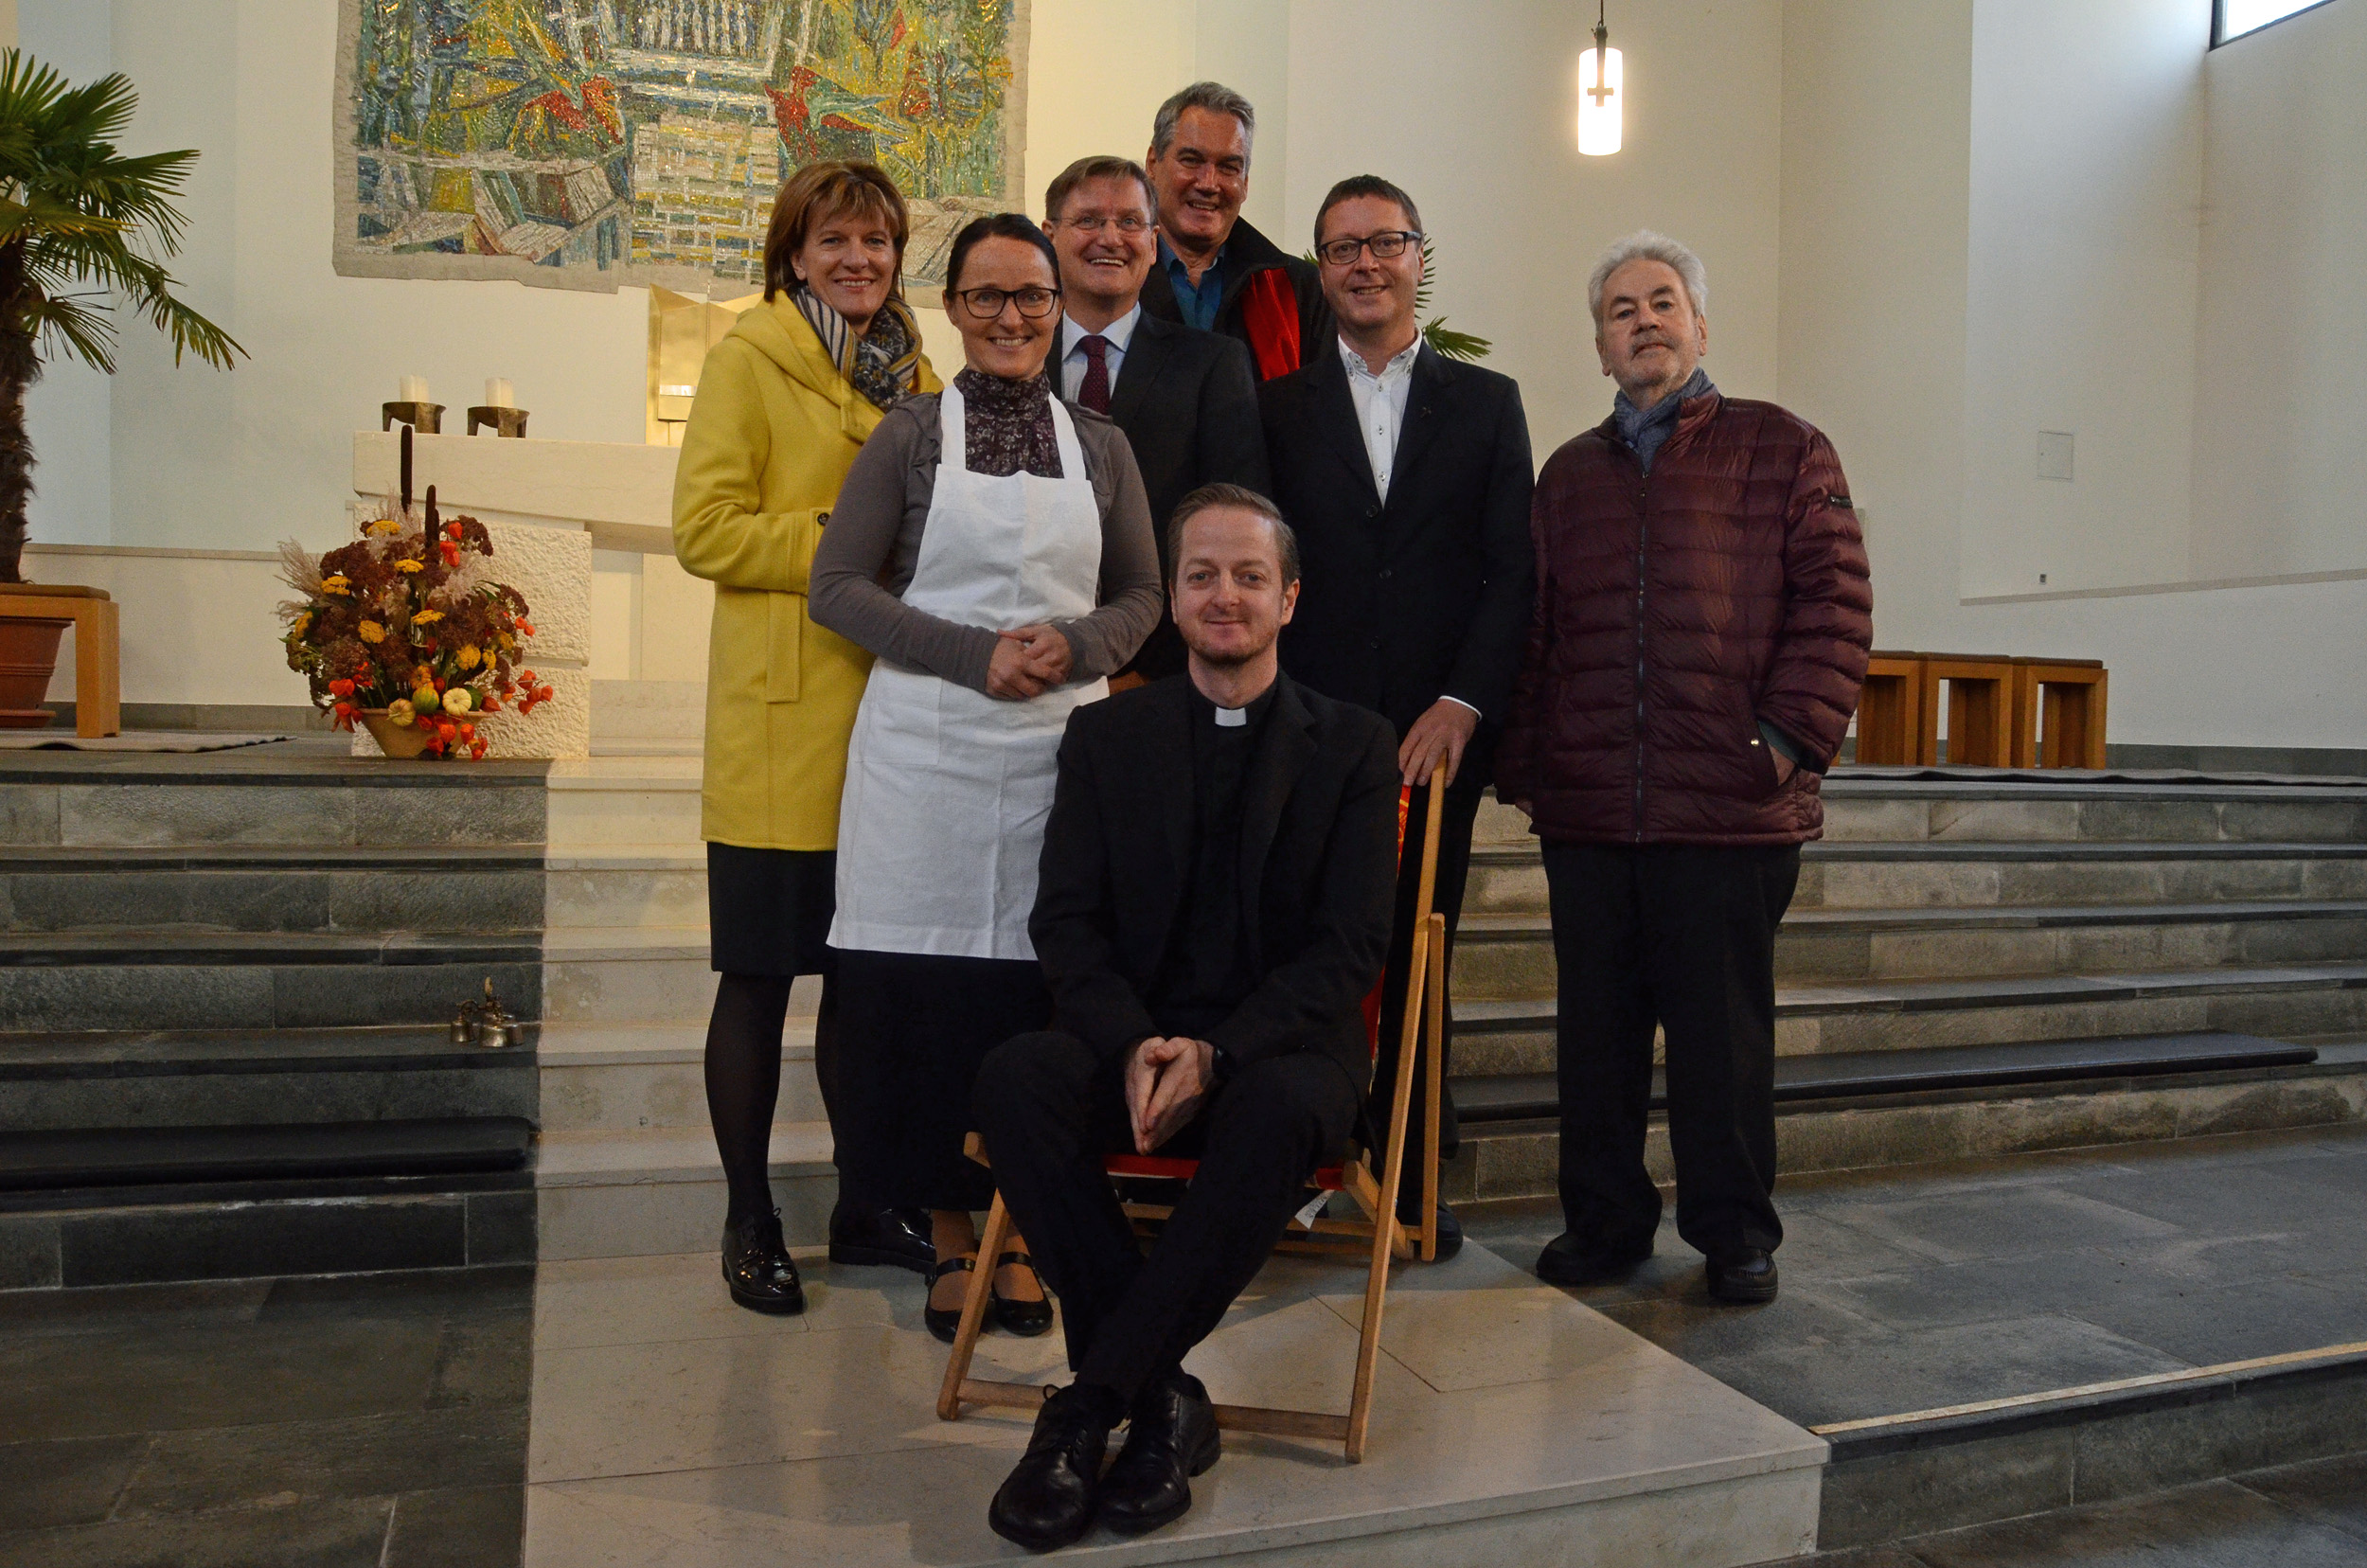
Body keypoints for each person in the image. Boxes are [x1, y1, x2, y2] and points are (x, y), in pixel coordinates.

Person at [973, 486, 1399, 1551]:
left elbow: (1349, 946)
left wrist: (1219, 1051)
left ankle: (1085, 1406)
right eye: (1202, 575)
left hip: (1277, 1052)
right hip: (1131, 1039)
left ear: (1289, 599)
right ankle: (1161, 1403)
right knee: (1017, 1079)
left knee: (1274, 1113)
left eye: (1249, 576)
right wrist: (1132, 1045)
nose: (1225, 596)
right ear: (1170, 596)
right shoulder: (1106, 736)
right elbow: (1065, 925)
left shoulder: (1352, 744)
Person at [1495, 231, 1871, 1306]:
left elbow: (1835, 607)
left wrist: (1785, 746)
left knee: (1722, 1047)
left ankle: (1734, 1230)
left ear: (1701, 326)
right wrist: (1531, 765)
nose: (1643, 321)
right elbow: (1534, 633)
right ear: (1600, 346)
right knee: (1596, 1044)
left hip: (1729, 808)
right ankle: (1605, 1223)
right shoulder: (1565, 475)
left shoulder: (1784, 449)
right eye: (1621, 310)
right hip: (1594, 812)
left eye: (1662, 302)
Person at [808, 214, 1164, 1345]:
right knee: (921, 1006)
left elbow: (1145, 593)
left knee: (1033, 995)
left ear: (1059, 309)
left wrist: (1081, 645)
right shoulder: (909, 434)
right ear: (952, 308)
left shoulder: (1104, 445)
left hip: (1060, 748)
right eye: (988, 296)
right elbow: (836, 586)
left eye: (1033, 297)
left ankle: (1019, 1231)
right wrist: (974, 653)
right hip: (924, 751)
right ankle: (950, 1241)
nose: (1012, 317)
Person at [672, 159, 940, 1316]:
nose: (859, 261)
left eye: (878, 243)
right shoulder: (749, 358)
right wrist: (845, 538)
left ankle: (865, 1200)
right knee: (761, 976)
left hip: (888, 718)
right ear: (793, 254)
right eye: (835, 241)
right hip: (781, 721)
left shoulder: (916, 369)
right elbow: (706, 530)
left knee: (865, 983)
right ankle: (747, 1215)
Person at [1257, 175, 1535, 1259]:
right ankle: (1294, 1164)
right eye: (1340, 249)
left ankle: (1414, 1177)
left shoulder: (1487, 402)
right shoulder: (1276, 406)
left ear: (1420, 256)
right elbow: (1260, 563)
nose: (1364, 264)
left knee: (1423, 952)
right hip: (1305, 736)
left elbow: (1509, 573)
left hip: (1434, 738)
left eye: (1384, 243)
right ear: (1319, 272)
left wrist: (1465, 703)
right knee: (1300, 949)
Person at [1042, 154, 1269, 682]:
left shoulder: (1212, 365)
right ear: (1049, 235)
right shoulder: (1012, 360)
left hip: (1157, 674)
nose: (1110, 238)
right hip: (1026, 662)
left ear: (1153, 241)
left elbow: (1232, 537)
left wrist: (1150, 672)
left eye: (1129, 222)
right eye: (1088, 221)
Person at [1138, 82, 1330, 382]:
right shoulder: (1112, 278)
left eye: (1229, 167)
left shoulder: (1299, 292)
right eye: (1191, 160)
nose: (1208, 183)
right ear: (1153, 163)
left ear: (1246, 182)